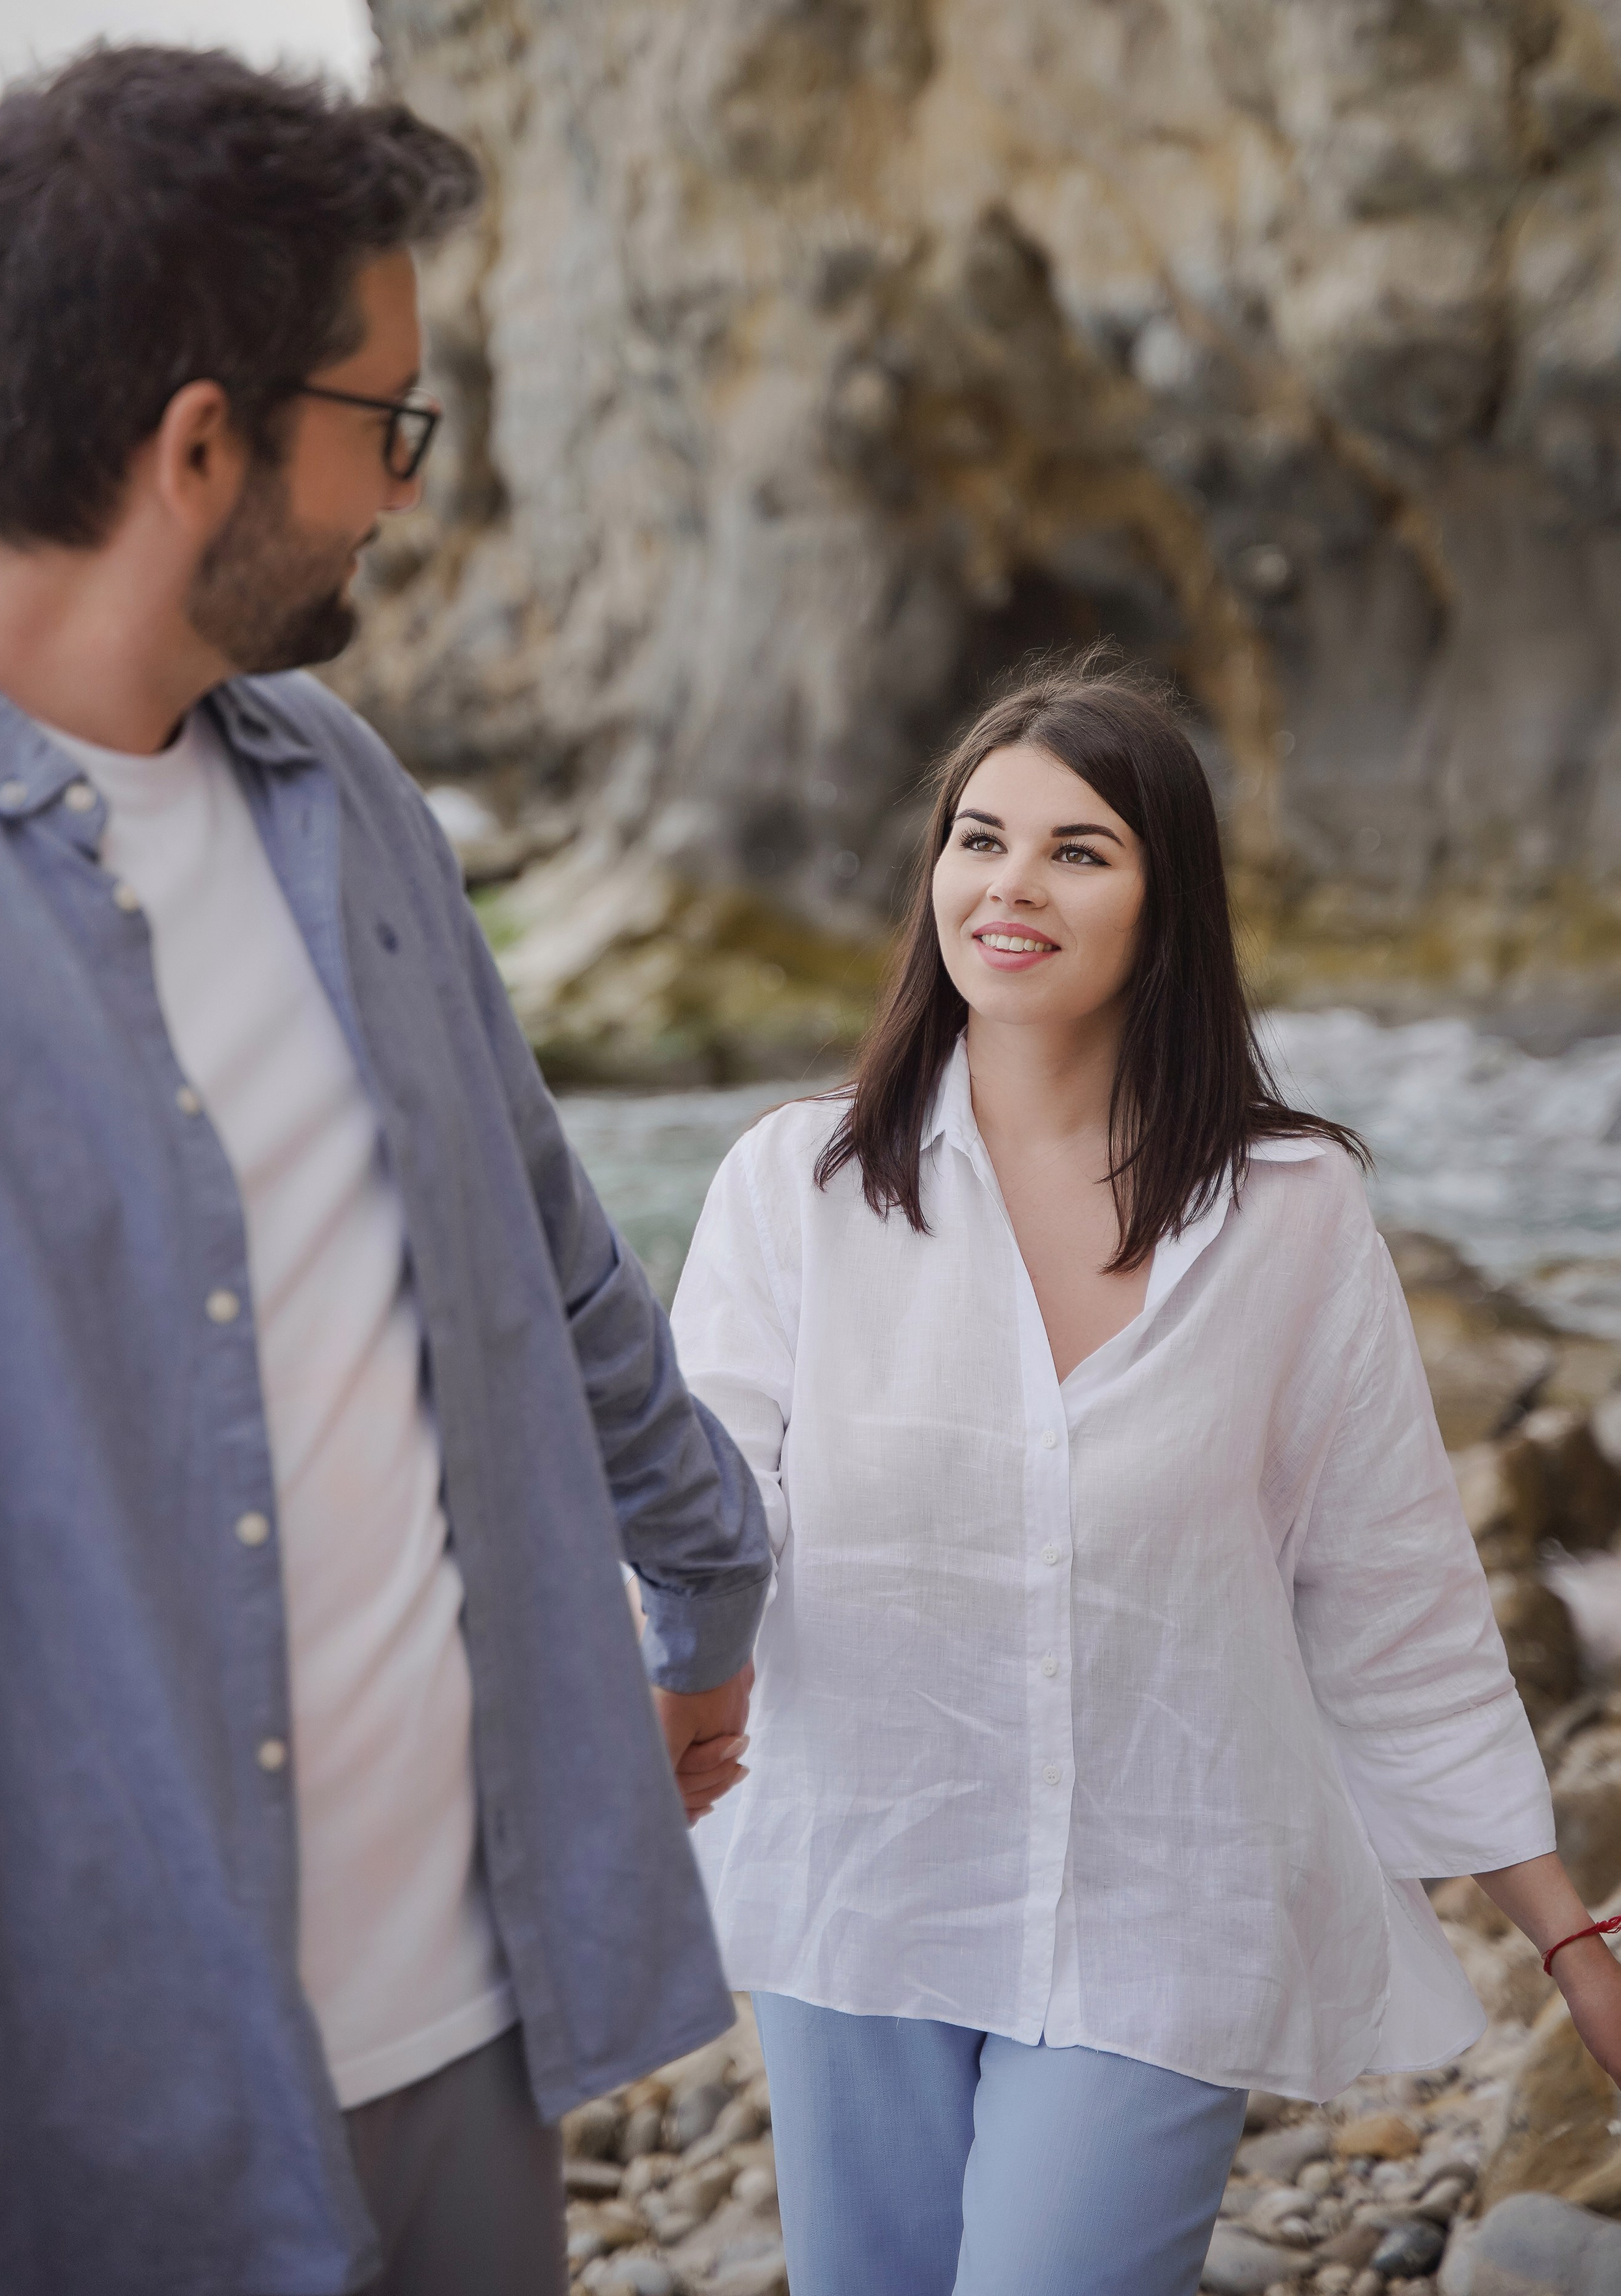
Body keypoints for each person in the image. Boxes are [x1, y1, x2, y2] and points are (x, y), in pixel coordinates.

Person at [0, 44, 767, 2296]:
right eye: (386, 424)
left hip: (463, 2035)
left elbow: (546, 1247)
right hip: (93, 2114)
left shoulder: (339, 791)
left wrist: (706, 1580)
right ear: (199, 441)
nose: (406, 494)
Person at [670, 661, 1621, 2296]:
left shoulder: (1291, 1213)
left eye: (1076, 850)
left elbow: (1386, 1591)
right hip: (862, 1883)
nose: (1009, 885)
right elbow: (699, 1523)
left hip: (1167, 1898)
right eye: (978, 839)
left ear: (1160, 902)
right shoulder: (795, 1188)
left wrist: (1566, 1932)